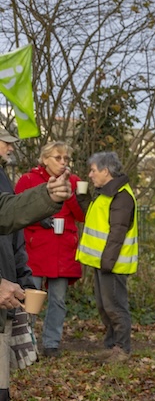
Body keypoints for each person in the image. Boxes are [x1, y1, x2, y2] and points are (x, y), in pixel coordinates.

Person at [0, 130, 72, 401]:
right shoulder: (24, 178)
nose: (10, 146)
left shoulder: (4, 176)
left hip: (20, 282)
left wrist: (53, 195)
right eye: (4, 140)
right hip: (31, 264)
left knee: (1, 390)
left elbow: (7, 221)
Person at [15, 141, 86, 357]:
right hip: (36, 250)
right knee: (31, 299)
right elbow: (14, 213)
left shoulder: (74, 181)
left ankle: (52, 344)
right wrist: (38, 220)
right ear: (45, 159)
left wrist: (70, 194)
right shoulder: (29, 180)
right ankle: (27, 343)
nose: (63, 162)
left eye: (66, 159)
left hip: (64, 251)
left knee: (58, 300)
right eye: (58, 158)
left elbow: (82, 216)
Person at [75, 151, 137, 363]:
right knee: (104, 307)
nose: (90, 175)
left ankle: (122, 350)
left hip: (112, 264)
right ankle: (111, 347)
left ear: (105, 171)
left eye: (93, 170)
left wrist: (107, 263)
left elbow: (117, 232)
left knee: (115, 308)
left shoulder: (121, 196)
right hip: (104, 262)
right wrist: (83, 199)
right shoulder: (105, 194)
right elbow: (94, 220)